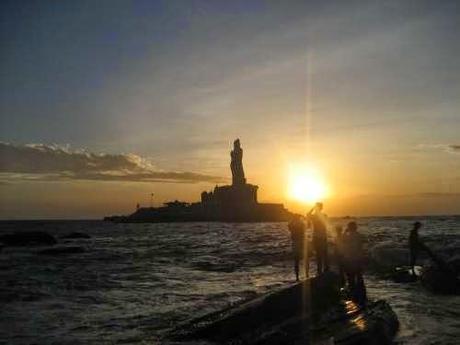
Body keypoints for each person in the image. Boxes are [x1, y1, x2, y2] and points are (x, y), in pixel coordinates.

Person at [342, 221, 367, 304]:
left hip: (350, 259)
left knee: (351, 278)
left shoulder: (348, 236)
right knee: (359, 276)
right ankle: (362, 295)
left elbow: (342, 242)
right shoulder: (359, 236)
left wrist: (345, 232)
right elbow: (364, 243)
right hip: (358, 258)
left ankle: (353, 295)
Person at [307, 202, 329, 275]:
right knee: (324, 253)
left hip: (317, 237)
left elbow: (307, 214)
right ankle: (325, 268)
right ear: (322, 208)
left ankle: (319, 270)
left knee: (319, 254)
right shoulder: (324, 215)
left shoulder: (314, 216)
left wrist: (313, 208)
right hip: (322, 236)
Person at [288, 215, 308, 281]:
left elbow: (289, 226)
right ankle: (307, 274)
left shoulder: (292, 225)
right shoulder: (301, 224)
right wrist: (304, 219)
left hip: (295, 243)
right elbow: (308, 226)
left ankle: (297, 277)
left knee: (296, 261)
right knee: (305, 259)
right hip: (302, 243)